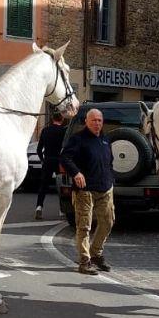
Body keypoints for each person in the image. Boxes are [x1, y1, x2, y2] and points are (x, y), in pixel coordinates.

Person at [59, 109, 115, 275]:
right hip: (85, 191)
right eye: (94, 120)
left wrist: (111, 179)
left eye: (99, 120)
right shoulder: (78, 139)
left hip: (105, 188)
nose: (97, 123)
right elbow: (65, 158)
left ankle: (96, 253)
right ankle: (84, 261)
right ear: (87, 122)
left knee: (108, 222)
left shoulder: (105, 139)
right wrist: (76, 173)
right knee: (84, 227)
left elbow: (109, 162)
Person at [34, 112, 67, 220]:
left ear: (52, 119)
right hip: (59, 162)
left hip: (47, 160)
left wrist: (42, 160)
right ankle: (62, 210)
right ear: (62, 120)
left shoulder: (45, 130)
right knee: (62, 186)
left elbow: (39, 149)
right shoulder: (64, 131)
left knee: (43, 186)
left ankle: (39, 207)